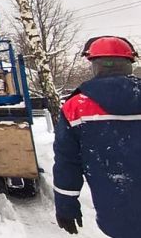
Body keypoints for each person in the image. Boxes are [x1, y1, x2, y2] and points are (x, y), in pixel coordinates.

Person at [53, 36, 141, 237]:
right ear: (130, 63)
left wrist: (66, 205)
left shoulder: (76, 107)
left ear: (94, 65)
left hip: (116, 213)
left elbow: (67, 162)